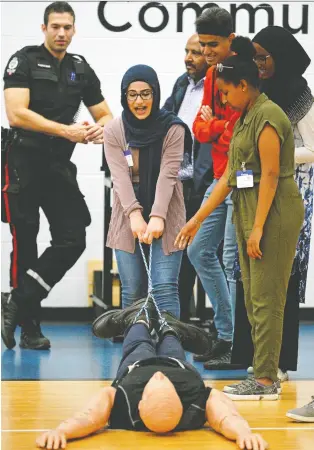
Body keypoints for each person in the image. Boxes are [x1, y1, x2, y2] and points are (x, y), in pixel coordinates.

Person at [175, 36, 304, 400]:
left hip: (273, 211)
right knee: (252, 298)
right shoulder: (244, 116)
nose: (223, 99)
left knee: (268, 298)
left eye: (226, 92)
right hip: (250, 207)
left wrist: (259, 227)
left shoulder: (269, 115)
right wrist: (196, 219)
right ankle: (262, 372)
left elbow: (272, 176)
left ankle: (265, 380)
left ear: (244, 85)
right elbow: (232, 176)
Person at [1, 1, 113, 351]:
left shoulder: (80, 68)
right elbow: (17, 113)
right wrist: (66, 131)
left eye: (67, 27)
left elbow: (106, 115)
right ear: (44, 28)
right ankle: (30, 327)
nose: (61, 33)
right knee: (26, 241)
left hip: (57, 165)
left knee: (73, 237)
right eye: (55, 27)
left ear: (74, 30)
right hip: (23, 161)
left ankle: (16, 300)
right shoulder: (25, 60)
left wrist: (98, 130)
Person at [35, 300, 268, 449]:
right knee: (171, 343)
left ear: (140, 403)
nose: (158, 376)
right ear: (180, 400)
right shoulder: (195, 400)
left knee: (138, 344)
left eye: (156, 383)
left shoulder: (124, 401)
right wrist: (243, 434)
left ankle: (137, 319)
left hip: (137, 367)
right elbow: (226, 417)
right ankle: (169, 328)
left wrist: (61, 431)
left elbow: (89, 417)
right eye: (165, 383)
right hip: (177, 366)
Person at [231, 26, 314, 382]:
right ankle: (257, 356)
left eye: (264, 57)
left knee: (283, 278)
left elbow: (312, 150)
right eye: (255, 57)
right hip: (257, 192)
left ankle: (278, 363)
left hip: (293, 192)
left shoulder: (301, 97)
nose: (259, 64)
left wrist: (276, 159)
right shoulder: (261, 93)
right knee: (253, 275)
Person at [103, 64, 192, 318]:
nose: (139, 101)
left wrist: (157, 216)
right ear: (124, 96)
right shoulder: (114, 130)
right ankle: (137, 353)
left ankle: (168, 353)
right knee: (133, 293)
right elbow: (119, 177)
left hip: (167, 210)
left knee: (164, 290)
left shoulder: (173, 128)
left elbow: (168, 174)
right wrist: (134, 214)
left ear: (155, 94)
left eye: (146, 94)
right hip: (126, 212)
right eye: (132, 94)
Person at [187, 7, 240, 368]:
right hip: (219, 178)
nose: (206, 51)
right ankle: (225, 334)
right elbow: (198, 129)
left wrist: (214, 125)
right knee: (198, 250)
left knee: (233, 261)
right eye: (202, 44)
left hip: (241, 178)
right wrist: (215, 126)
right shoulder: (210, 74)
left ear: (230, 40)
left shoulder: (245, 71)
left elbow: (235, 129)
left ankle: (236, 343)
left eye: (213, 44)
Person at [163, 33, 212, 323]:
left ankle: (221, 331)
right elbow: (165, 119)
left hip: (203, 183)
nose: (188, 58)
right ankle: (179, 322)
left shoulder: (217, 89)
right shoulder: (182, 84)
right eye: (186, 51)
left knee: (202, 255)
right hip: (178, 183)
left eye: (195, 53)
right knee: (179, 257)